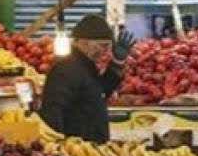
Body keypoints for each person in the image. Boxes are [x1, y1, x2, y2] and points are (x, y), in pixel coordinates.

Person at [40, 14, 135, 143]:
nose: (106, 51)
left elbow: (99, 91)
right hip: (77, 148)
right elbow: (52, 112)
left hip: (91, 146)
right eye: (103, 46)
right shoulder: (66, 70)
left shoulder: (86, 67)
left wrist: (117, 62)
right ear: (84, 43)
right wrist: (59, 146)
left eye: (109, 47)